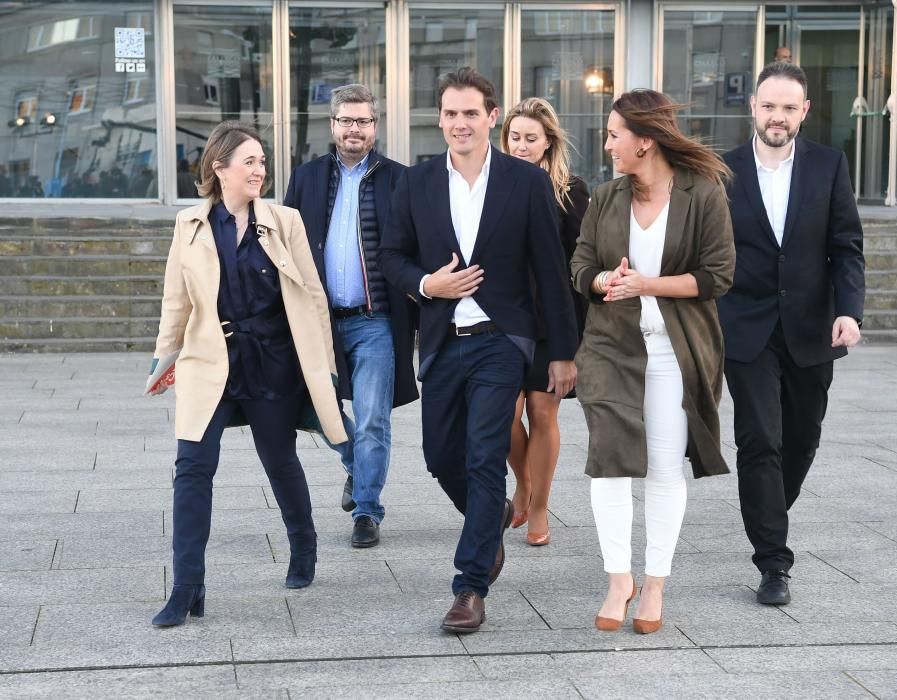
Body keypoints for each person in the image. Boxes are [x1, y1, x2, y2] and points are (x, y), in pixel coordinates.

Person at [380, 68, 578, 634]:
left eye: (471, 113)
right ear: (439, 119)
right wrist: (427, 285)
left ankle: (469, 586)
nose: (460, 123)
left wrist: (561, 351)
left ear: (492, 117)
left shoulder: (525, 181)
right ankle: (488, 531)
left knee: (484, 453)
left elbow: (550, 270)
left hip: (503, 339)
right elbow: (392, 257)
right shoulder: (414, 183)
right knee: (441, 457)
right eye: (450, 113)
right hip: (442, 338)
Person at [148, 121, 347, 627]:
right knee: (191, 470)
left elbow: (313, 298)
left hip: (272, 361)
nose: (260, 170)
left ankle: (304, 547)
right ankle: (187, 586)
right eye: (250, 162)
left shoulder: (286, 221)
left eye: (262, 162)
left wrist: (323, 369)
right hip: (206, 364)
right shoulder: (188, 224)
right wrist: (162, 357)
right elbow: (176, 300)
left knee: (279, 460)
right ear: (220, 168)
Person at [570, 89, 735, 634]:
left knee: (664, 467)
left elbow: (717, 275)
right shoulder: (604, 197)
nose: (608, 142)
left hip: (675, 348)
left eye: (615, 133)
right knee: (609, 463)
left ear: (645, 140)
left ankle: (655, 583)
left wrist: (647, 284)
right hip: (611, 346)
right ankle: (619, 578)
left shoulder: (703, 193)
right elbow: (581, 266)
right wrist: (603, 280)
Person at [718, 61, 864, 606]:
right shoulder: (721, 170)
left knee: (801, 440)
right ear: (753, 108)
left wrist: (850, 311)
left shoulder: (828, 165)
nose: (777, 116)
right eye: (769, 105)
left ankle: (769, 511)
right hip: (745, 328)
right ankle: (773, 562)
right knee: (761, 440)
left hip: (811, 328)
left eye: (788, 107)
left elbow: (846, 246)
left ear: (804, 111)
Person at [284, 84, 417, 549]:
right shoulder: (306, 179)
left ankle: (366, 510)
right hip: (319, 321)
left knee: (373, 418)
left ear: (375, 127)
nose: (354, 128)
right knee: (317, 410)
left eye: (363, 121)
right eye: (346, 120)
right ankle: (358, 467)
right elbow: (285, 251)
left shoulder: (401, 179)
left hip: (375, 319)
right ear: (333, 125)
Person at [499, 97, 589, 546]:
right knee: (505, 415)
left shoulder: (572, 191)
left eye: (530, 138)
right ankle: (524, 480)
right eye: (514, 137)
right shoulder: (493, 184)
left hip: (553, 319)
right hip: (505, 319)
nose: (520, 145)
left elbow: (580, 265)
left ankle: (537, 507)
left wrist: (571, 342)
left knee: (541, 411)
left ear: (548, 141)